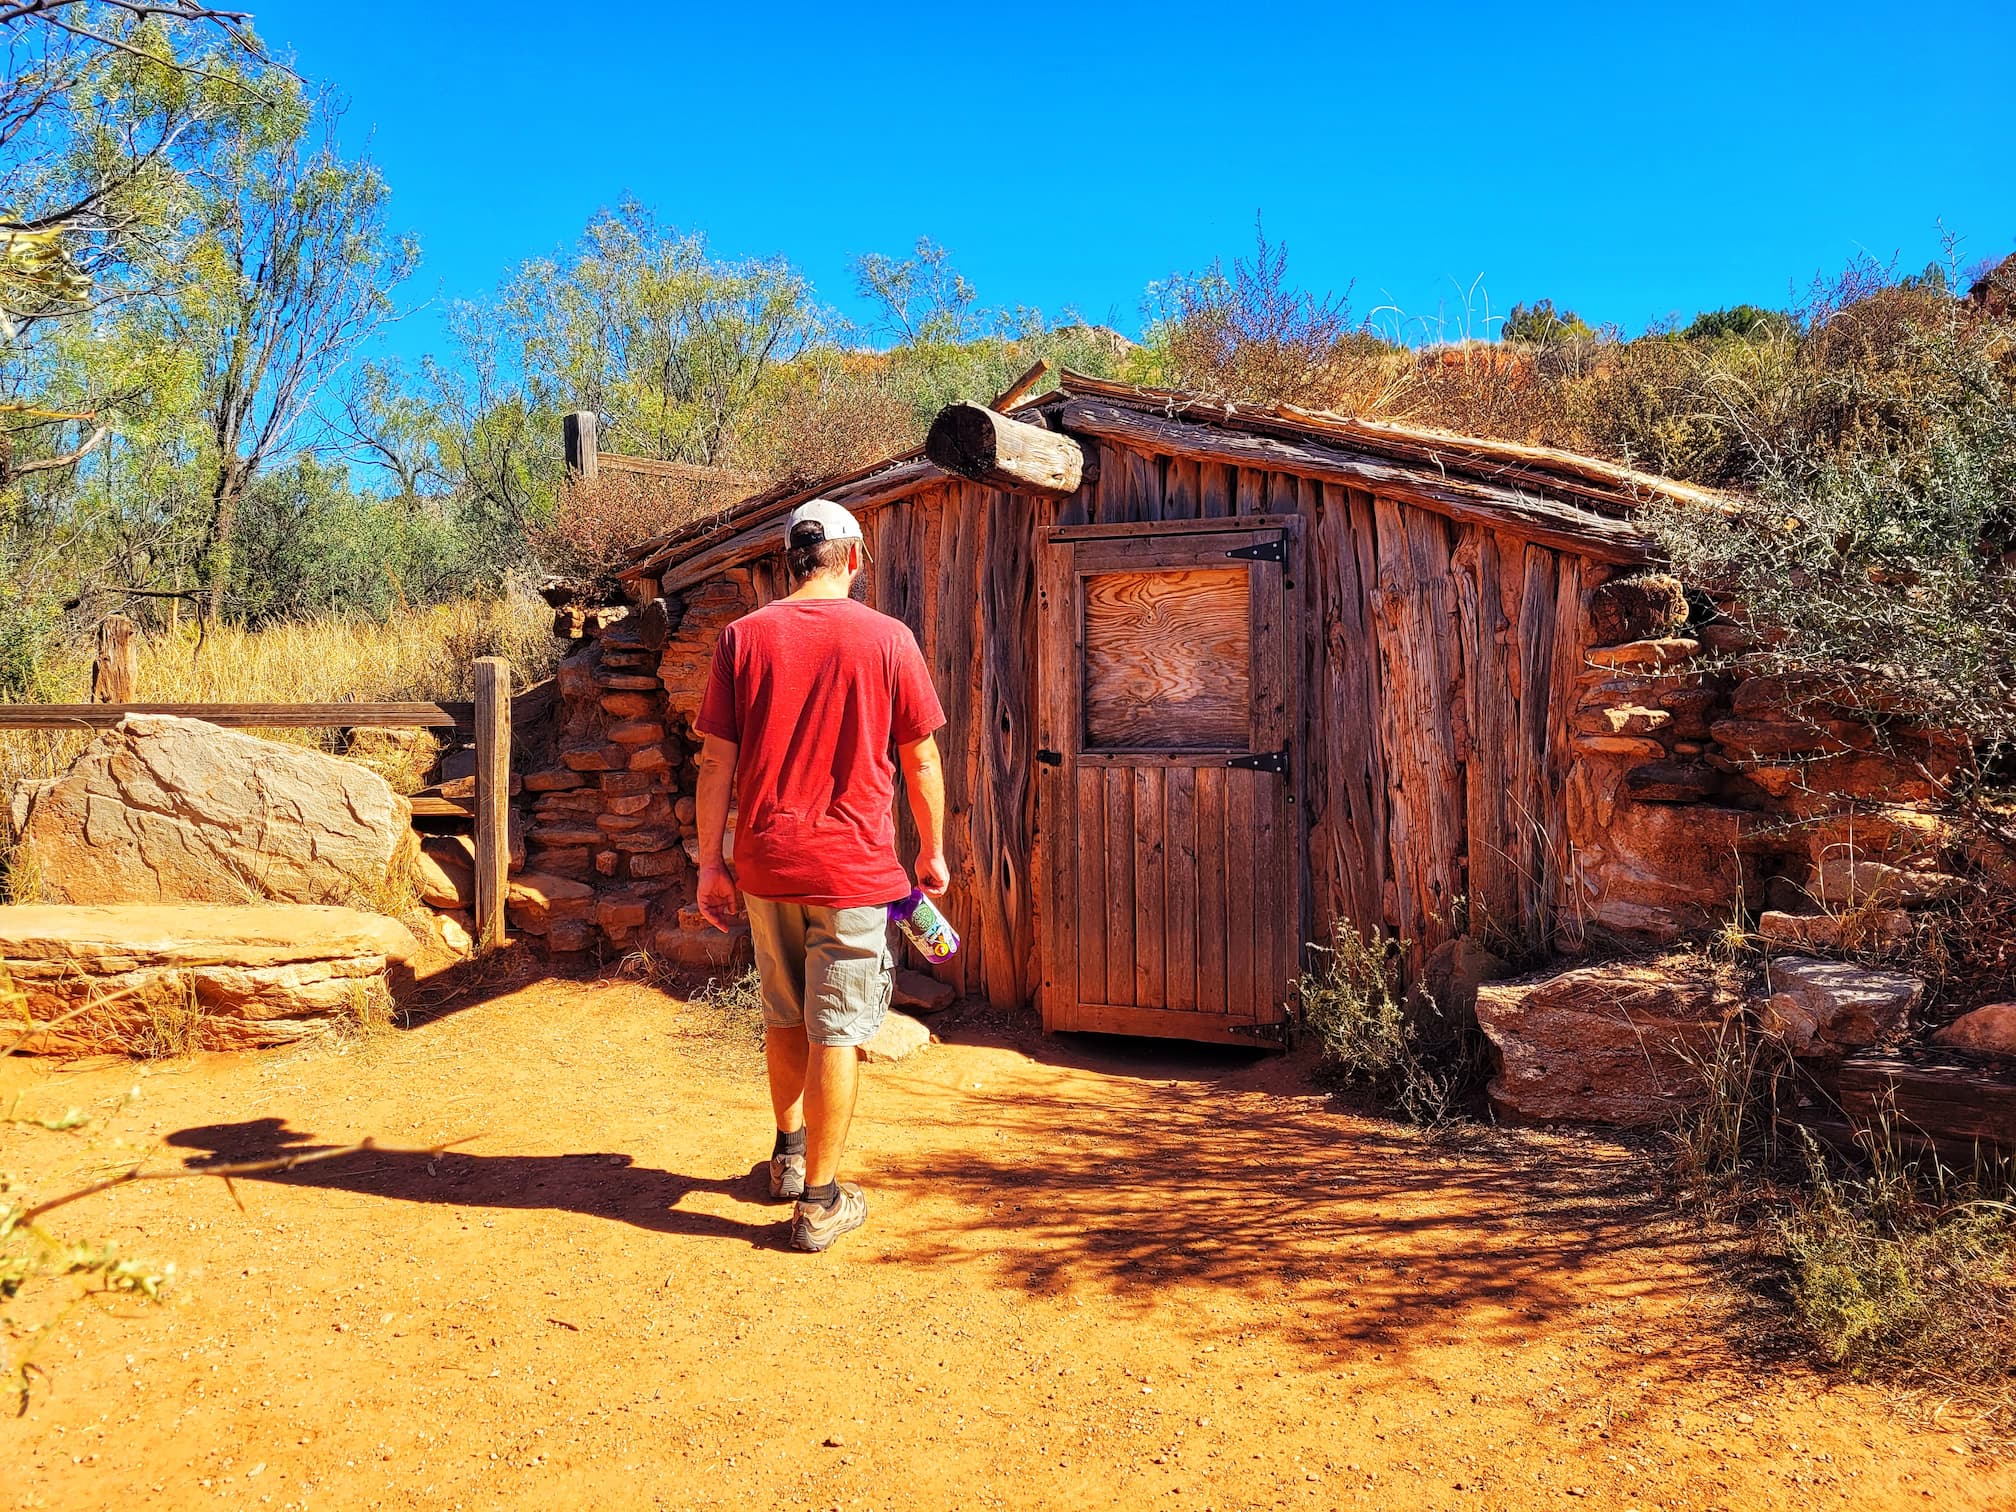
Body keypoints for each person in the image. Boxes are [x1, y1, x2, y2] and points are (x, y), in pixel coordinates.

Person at [692, 499, 949, 1253]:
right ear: (856, 559)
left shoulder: (742, 639)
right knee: (837, 1030)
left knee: (784, 1014)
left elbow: (716, 761)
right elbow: (921, 759)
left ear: (789, 560)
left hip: (767, 865)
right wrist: (931, 851)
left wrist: (712, 861)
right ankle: (823, 1202)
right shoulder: (889, 640)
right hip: (853, 871)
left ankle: (788, 1155)